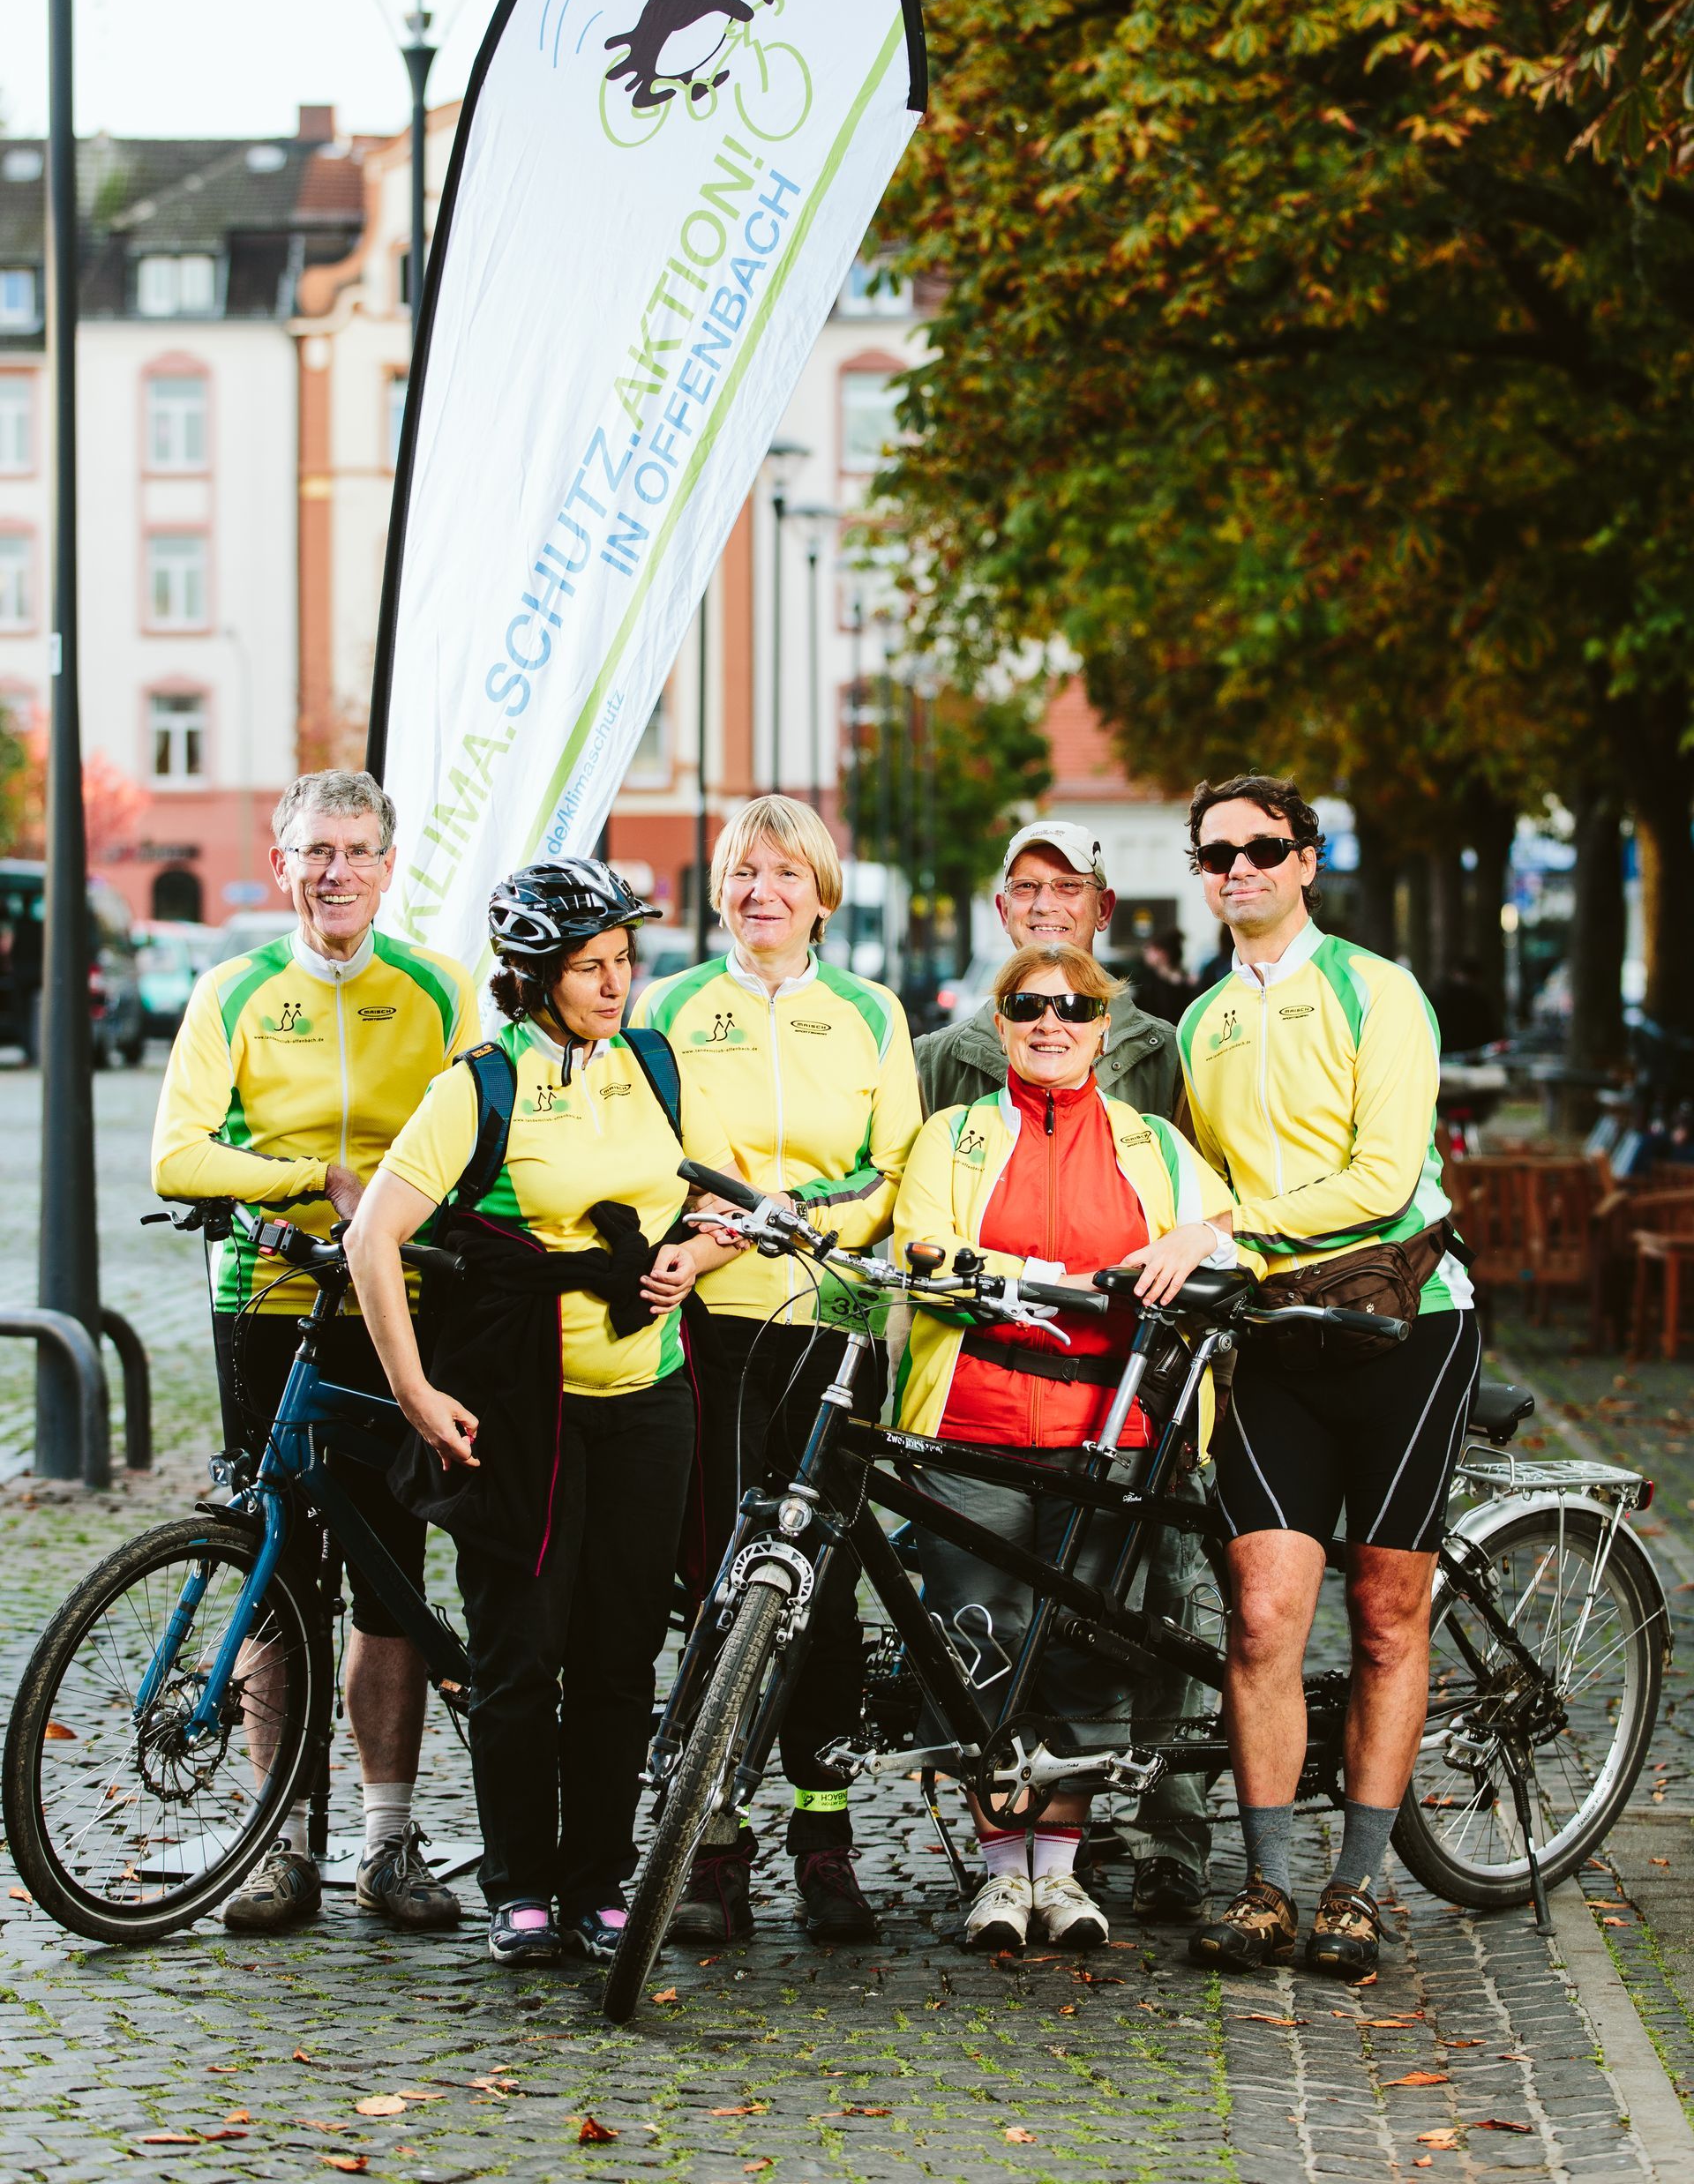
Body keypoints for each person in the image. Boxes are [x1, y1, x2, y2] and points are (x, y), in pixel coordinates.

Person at [342, 861, 743, 1967]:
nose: (616, 985)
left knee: (620, 1657)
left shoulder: (654, 1064)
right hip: (525, 1409)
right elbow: (372, 1237)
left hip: (651, 1400)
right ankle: (519, 1886)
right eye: (588, 968)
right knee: (520, 1656)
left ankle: (598, 1882)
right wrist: (416, 1393)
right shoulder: (481, 1085)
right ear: (532, 976)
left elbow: (727, 1204)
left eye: (624, 962)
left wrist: (693, 1257)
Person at [152, 769, 479, 1935]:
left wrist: (393, 1213)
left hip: (399, 1303)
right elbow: (178, 1154)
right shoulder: (233, 990)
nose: (335, 871)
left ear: (389, 868)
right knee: (276, 1574)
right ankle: (277, 1844)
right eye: (315, 851)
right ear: (279, 863)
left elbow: (485, 1140)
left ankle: (388, 1843)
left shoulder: (437, 990)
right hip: (267, 1298)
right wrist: (312, 1182)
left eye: (356, 851)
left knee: (390, 1573)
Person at [1177, 774, 1478, 1980]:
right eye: (1217, 854)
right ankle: (1266, 1889)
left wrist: (1232, 1229)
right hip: (1277, 1340)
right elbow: (1199, 1183)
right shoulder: (1202, 1023)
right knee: (1262, 1617)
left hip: (1406, 1330)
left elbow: (1385, 1176)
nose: (1239, 869)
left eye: (1262, 847)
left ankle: (1355, 1891)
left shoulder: (1375, 989)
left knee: (1387, 1615)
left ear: (1306, 859)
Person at [894, 942, 1237, 1952]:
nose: (1053, 1023)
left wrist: (1192, 1241)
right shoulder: (953, 1136)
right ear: (1000, 1023)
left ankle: (1063, 1872)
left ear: (1103, 1028)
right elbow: (925, 1250)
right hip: (973, 1428)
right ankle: (1004, 1877)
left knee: (1087, 1659)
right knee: (979, 1648)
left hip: (1110, 1431)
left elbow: (1230, 1233)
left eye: (1075, 1009)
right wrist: (1078, 1284)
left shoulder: (1150, 1142)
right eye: (1030, 1006)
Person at [632, 795, 922, 1943]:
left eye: (786, 874)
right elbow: (647, 1155)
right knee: (718, 1573)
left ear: (821, 894)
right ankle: (711, 1839)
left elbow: (892, 1172)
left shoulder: (870, 1012)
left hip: (833, 1319)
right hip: (711, 1324)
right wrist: (713, 1236)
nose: (764, 893)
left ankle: (824, 1832)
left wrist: (792, 1214)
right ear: (720, 892)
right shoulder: (668, 1007)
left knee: (826, 1587)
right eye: (745, 874)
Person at [916, 823, 1180, 1119]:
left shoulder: (1171, 1059)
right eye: (1026, 887)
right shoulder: (931, 1064)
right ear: (1004, 911)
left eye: (1068, 886)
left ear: (1103, 909)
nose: (1044, 905)